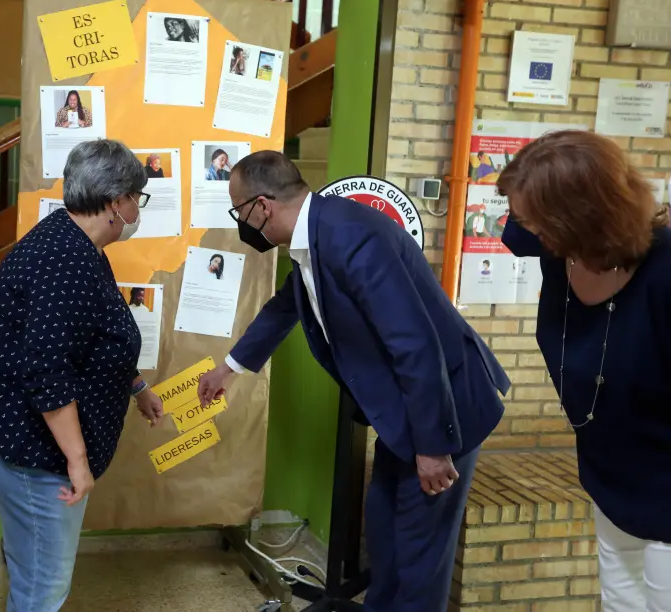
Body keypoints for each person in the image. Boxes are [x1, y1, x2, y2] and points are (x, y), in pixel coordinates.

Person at [197, 151, 510, 612]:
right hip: (403, 412)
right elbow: (286, 307)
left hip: (446, 412)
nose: (242, 222)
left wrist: (432, 446)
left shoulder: (351, 237)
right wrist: (229, 368)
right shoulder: (318, 236)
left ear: (262, 206)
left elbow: (415, 343)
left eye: (239, 210)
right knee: (386, 538)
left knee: (419, 563)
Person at [0, 139, 165, 612]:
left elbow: (91, 337)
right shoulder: (63, 258)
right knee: (42, 590)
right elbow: (47, 369)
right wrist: (77, 460)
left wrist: (136, 387)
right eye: (138, 197)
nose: (137, 208)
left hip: (33, 448)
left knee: (38, 578)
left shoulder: (73, 245)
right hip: (32, 453)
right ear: (116, 201)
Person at [496, 130, 671, 611]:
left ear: (581, 216)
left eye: (534, 219)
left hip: (666, 490)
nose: (523, 229)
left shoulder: (663, 272)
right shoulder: (561, 252)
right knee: (620, 603)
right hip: (610, 479)